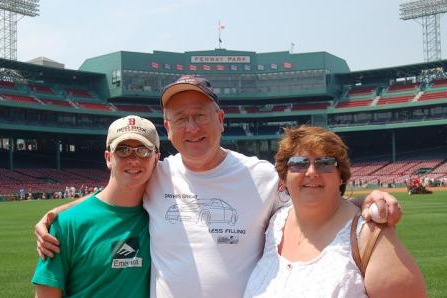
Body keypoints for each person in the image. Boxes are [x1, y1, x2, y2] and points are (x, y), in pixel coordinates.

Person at [35, 76, 402, 298]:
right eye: (181, 118)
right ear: (168, 127)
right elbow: (111, 196)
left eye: (200, 115)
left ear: (221, 119)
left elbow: (315, 197)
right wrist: (56, 215)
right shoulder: (157, 173)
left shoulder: (260, 175)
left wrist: (369, 198)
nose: (192, 127)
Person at [244, 125, 426, 297]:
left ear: (341, 176)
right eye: (299, 163)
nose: (311, 171)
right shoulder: (273, 225)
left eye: (325, 163)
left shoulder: (369, 236)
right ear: (284, 178)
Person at [32, 115, 160, 297]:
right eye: (123, 150)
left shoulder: (163, 215)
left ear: (156, 158)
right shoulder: (66, 224)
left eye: (144, 150)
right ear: (108, 157)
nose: (134, 159)